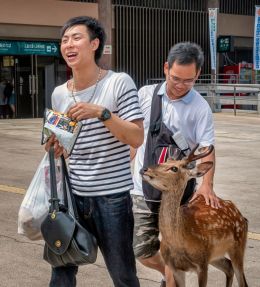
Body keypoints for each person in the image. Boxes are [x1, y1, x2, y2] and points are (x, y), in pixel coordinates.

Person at [45, 16, 144, 287]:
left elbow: (136, 137)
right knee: (62, 270)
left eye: (76, 38)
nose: (68, 45)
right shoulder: (59, 94)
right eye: (64, 40)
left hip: (112, 198)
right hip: (73, 197)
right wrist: (54, 145)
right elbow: (65, 148)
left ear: (95, 44)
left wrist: (101, 113)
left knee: (122, 274)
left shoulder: (119, 83)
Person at [130, 42, 220, 287]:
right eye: (175, 78)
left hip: (179, 195)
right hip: (143, 189)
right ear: (166, 68)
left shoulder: (200, 108)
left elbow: (206, 150)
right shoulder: (145, 95)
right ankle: (166, 275)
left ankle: (172, 281)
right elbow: (135, 138)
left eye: (188, 81)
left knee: (173, 252)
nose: (181, 85)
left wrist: (206, 186)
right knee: (143, 250)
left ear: (198, 75)